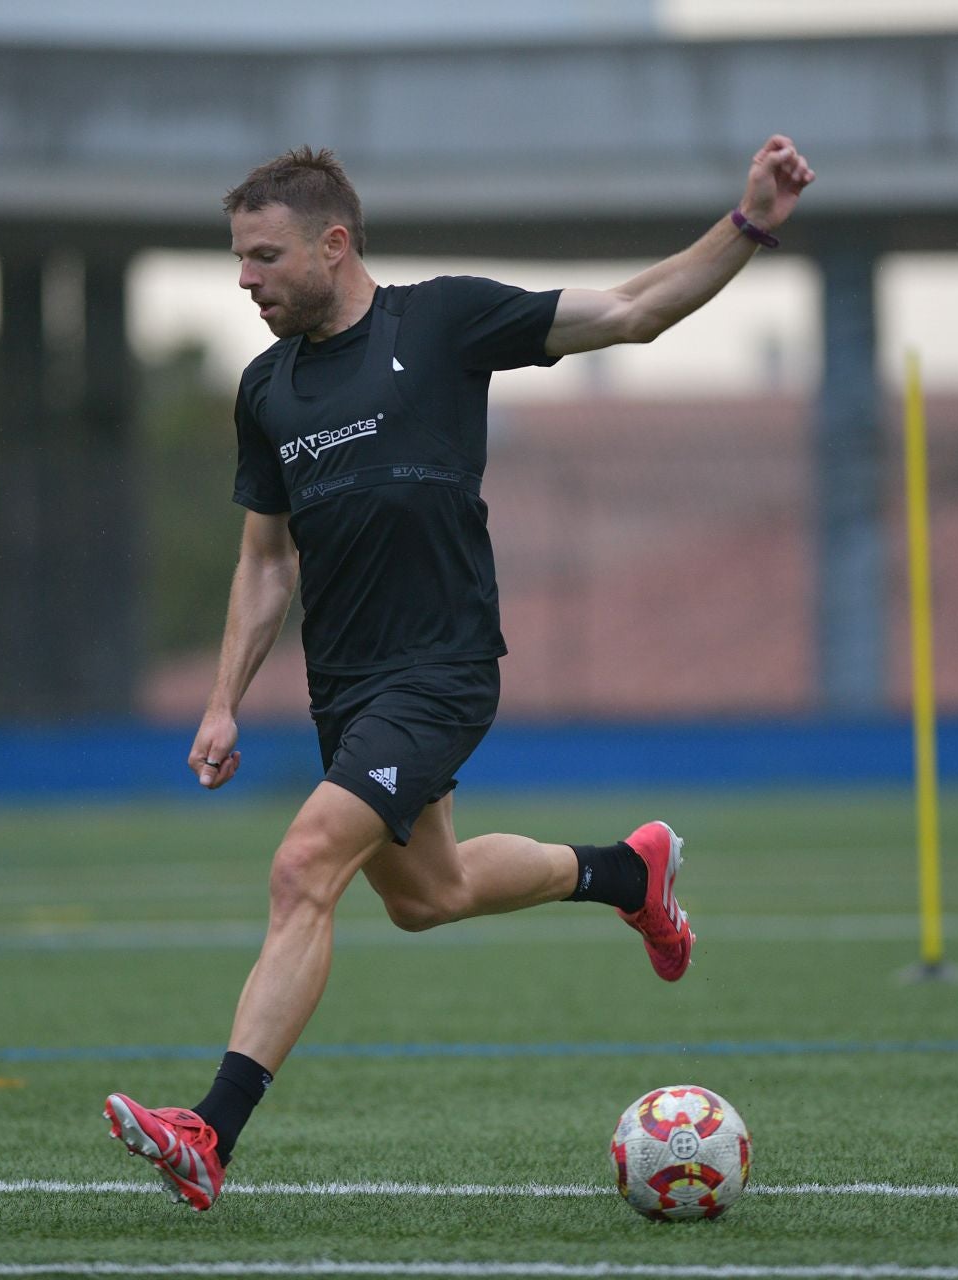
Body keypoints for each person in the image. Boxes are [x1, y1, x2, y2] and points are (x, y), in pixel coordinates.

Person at [103, 136, 815, 1209]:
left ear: (333, 244)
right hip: (344, 690)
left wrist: (751, 222)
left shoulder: (442, 321)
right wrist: (221, 699)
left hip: (439, 671)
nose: (242, 280)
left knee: (303, 866)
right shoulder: (267, 389)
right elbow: (263, 562)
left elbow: (631, 310)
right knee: (428, 896)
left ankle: (209, 1128)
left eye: (262, 257)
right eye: (238, 259)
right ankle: (630, 872)